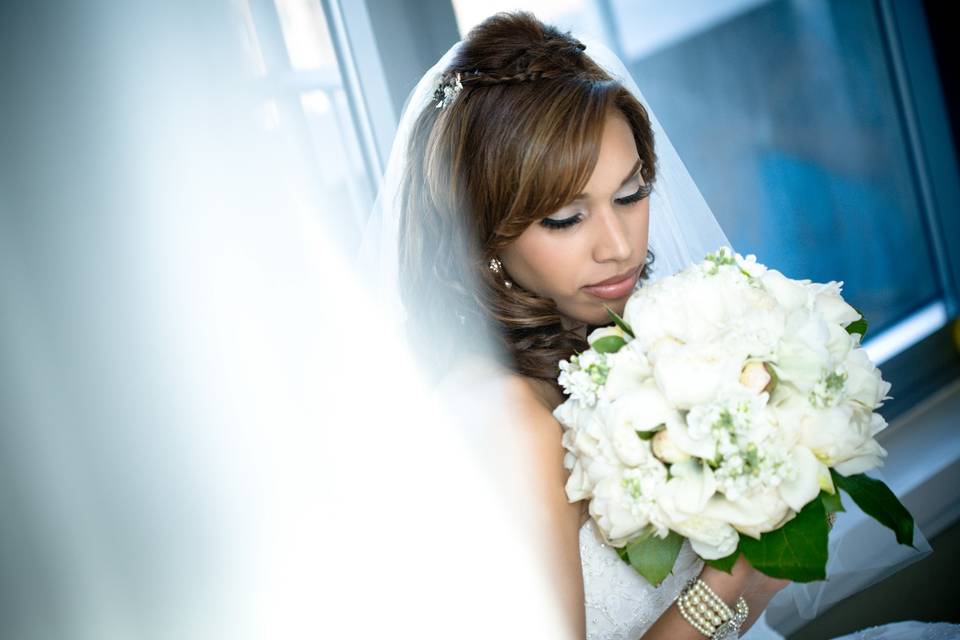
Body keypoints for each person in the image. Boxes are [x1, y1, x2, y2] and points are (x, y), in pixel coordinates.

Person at [358, 9, 960, 640]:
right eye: (566, 218)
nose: (618, 246)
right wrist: (735, 577)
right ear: (482, 233)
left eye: (631, 193)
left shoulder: (612, 353)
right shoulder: (508, 417)